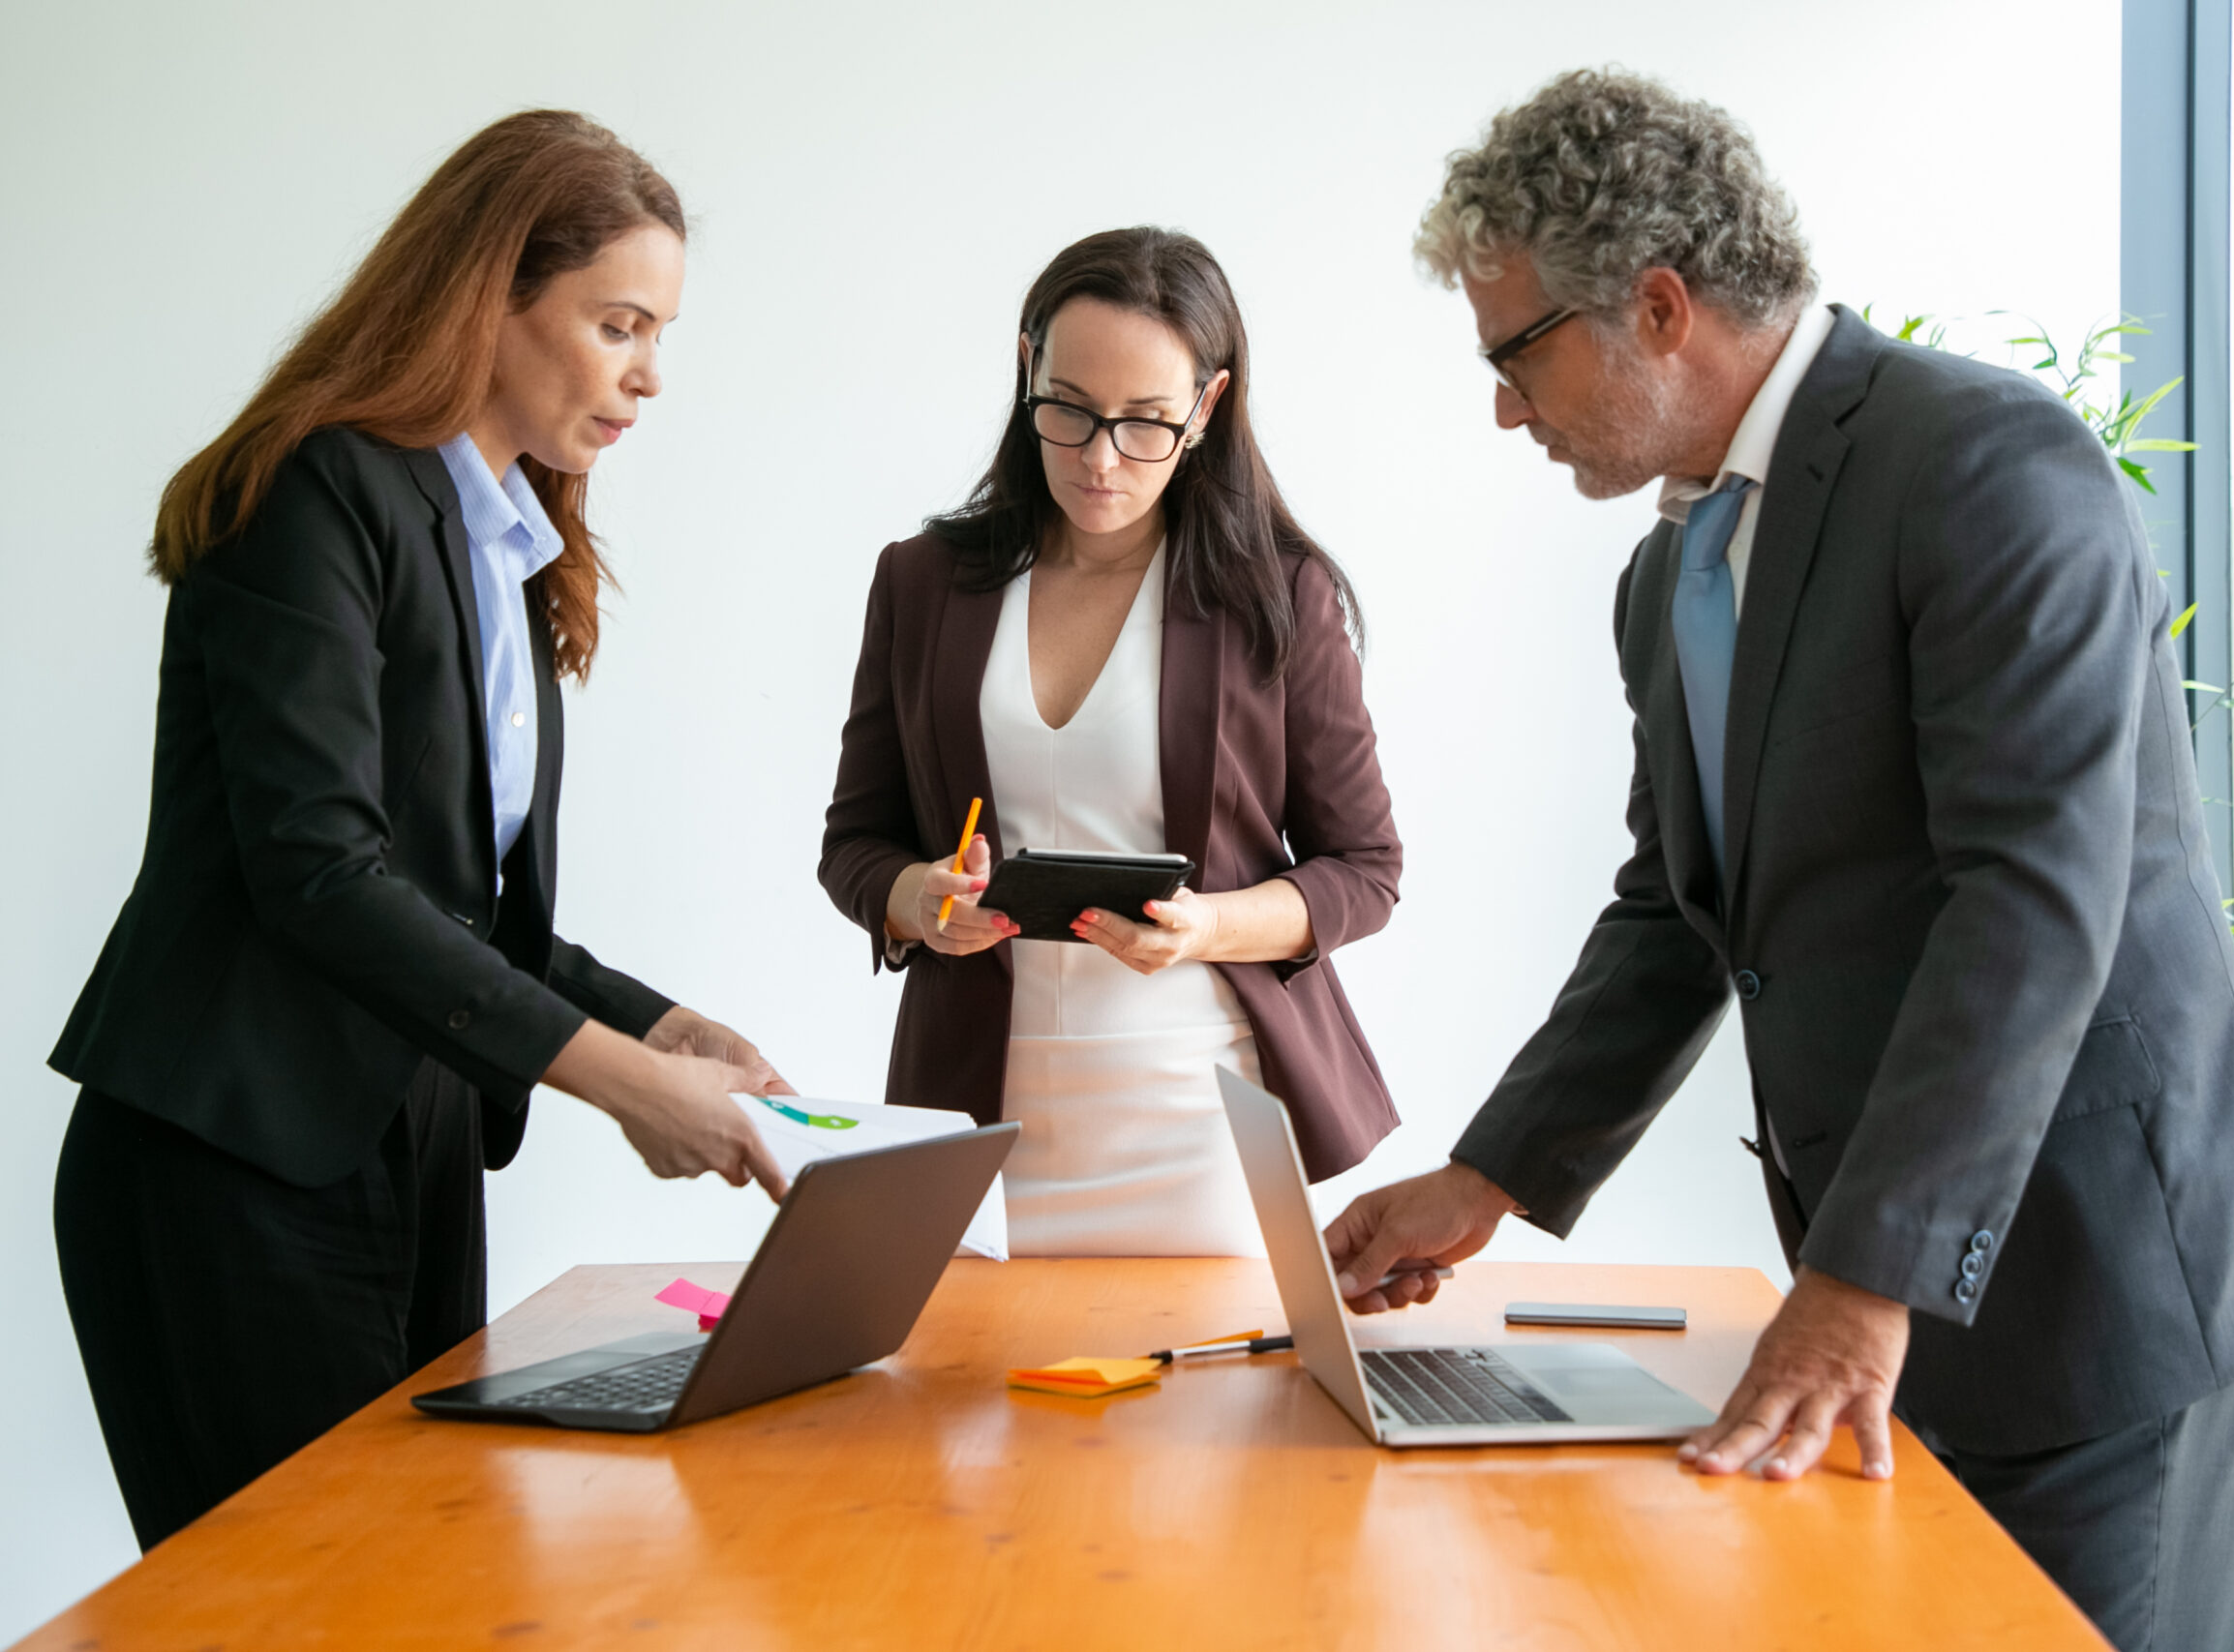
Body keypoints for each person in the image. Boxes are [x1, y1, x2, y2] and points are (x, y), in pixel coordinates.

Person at [1320, 71, 2234, 1652]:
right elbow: (1680, 908)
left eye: (1515, 354)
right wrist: (1491, 1175)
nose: (1505, 407)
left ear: (1656, 305)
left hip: (2100, 1283)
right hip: (1900, 1289)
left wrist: (1866, 1280)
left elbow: (2031, 901)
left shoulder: (1985, 466)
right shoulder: (1669, 580)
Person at [49, 110, 797, 1550]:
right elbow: (323, 874)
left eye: (663, 331)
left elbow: (469, 912)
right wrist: (623, 1088)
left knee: (418, 1587)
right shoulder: (317, 485)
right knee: (293, 1610)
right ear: (491, 293)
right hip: (231, 1161)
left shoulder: (508, 538)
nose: (650, 374)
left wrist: (669, 1030)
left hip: (411, 1148)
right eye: (618, 323)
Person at [819, 227, 1401, 1255]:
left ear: (1208, 409)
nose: (1098, 460)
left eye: (1145, 424)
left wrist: (1205, 928)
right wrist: (915, 900)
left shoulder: (1279, 597)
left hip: (1197, 1119)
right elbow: (856, 842)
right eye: (1070, 411)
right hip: (970, 1113)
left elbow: (1364, 870)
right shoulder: (921, 583)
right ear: (1024, 369)